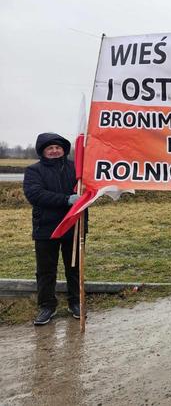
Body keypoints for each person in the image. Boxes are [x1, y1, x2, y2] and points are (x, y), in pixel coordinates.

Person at [23, 133, 81, 325]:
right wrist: (66, 199)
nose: (55, 151)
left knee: (74, 267)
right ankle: (47, 306)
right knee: (46, 270)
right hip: (46, 227)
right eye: (50, 148)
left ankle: (76, 302)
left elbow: (87, 189)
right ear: (43, 151)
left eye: (58, 147)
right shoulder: (33, 171)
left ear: (64, 149)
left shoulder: (77, 167)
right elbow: (36, 195)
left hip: (74, 225)